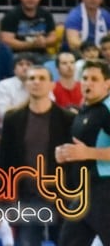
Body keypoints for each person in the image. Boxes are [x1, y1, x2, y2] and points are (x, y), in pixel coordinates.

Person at [55, 60, 110, 246]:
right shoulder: (85, 110)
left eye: (95, 79)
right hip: (85, 190)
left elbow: (86, 151)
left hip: (105, 189)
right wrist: (65, 153)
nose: (88, 83)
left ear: (108, 83)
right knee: (68, 242)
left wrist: (88, 152)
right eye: (85, 78)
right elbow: (81, 150)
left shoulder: (107, 109)